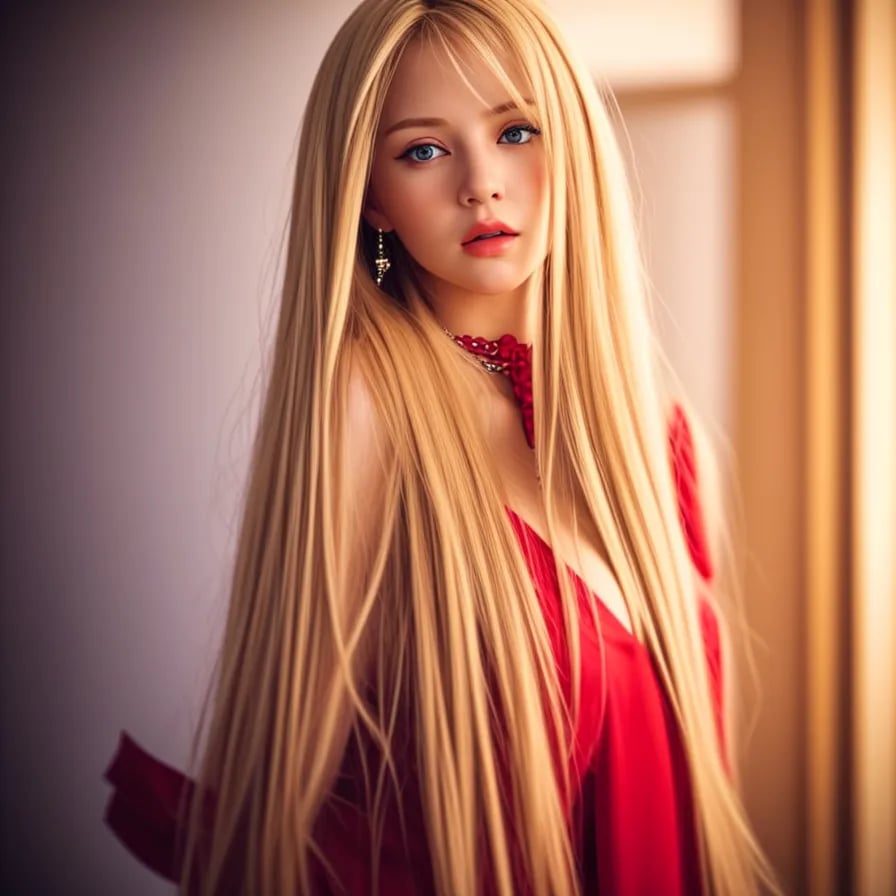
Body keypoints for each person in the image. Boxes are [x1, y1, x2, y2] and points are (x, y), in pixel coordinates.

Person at [102, 1, 784, 893]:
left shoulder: (658, 434)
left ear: (573, 139)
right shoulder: (367, 408)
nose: (481, 184)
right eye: (423, 149)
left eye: (516, 129)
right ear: (373, 197)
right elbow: (274, 816)